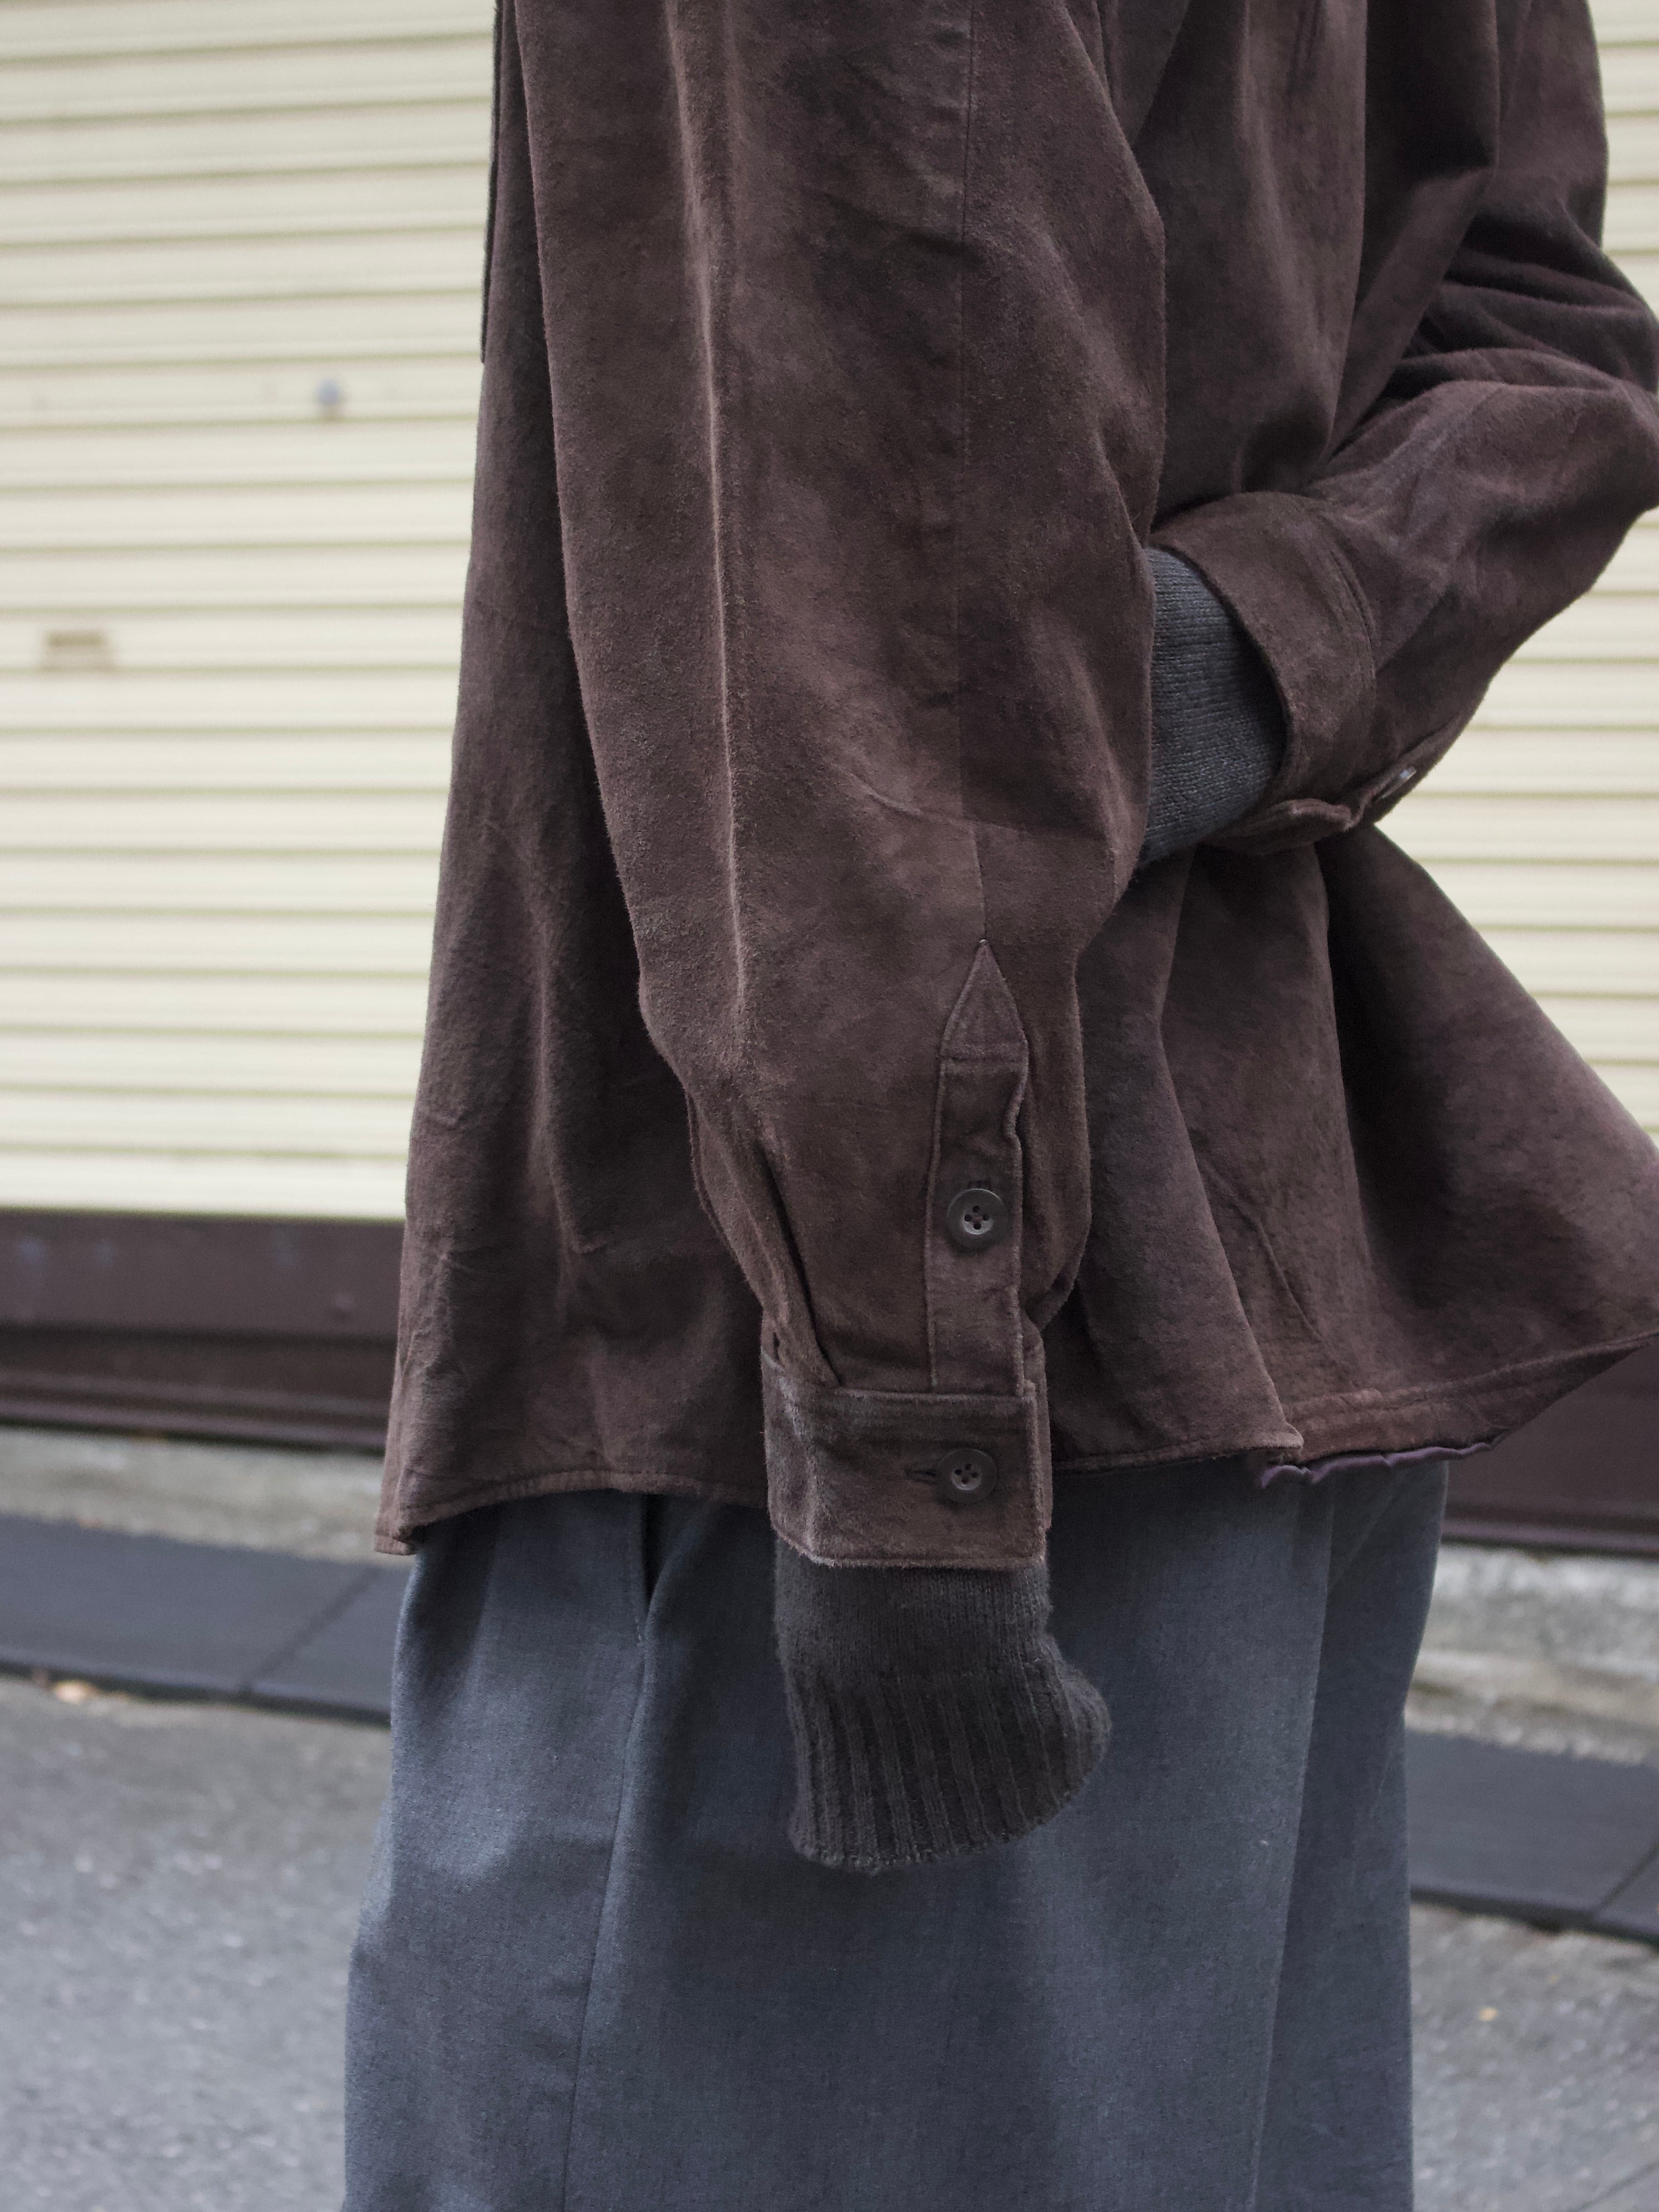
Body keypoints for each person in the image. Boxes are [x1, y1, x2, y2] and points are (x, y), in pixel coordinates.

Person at [344, 1, 1659, 2204]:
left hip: (823, 1359)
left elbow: (882, 526)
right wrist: (1265, 640)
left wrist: (908, 1440)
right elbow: (1549, 342)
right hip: (1216, 1283)